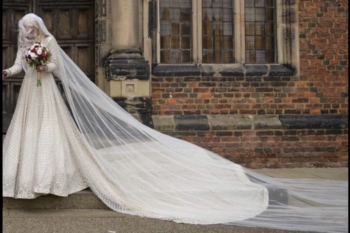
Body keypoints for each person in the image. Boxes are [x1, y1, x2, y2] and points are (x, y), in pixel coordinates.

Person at [2, 13, 348, 232]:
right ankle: (27, 178)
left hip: (46, 91)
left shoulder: (48, 43)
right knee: (28, 131)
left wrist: (44, 64)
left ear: (40, 29)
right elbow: (20, 66)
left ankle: (52, 176)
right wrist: (12, 70)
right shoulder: (26, 46)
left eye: (32, 29)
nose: (30, 34)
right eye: (27, 30)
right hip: (31, 96)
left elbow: (56, 70)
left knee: (51, 132)